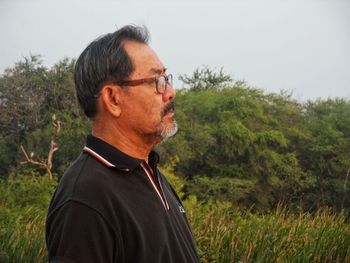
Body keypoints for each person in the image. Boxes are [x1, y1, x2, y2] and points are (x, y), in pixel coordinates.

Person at [45, 25, 200, 263]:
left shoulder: (151, 173)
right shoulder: (86, 198)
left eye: (166, 78)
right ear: (113, 99)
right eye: (156, 80)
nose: (170, 92)